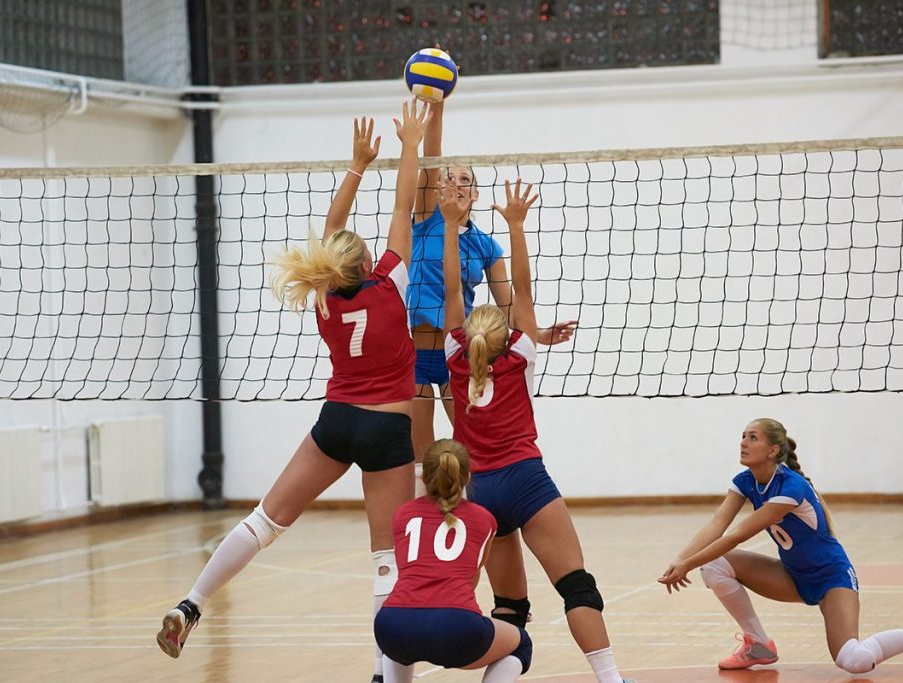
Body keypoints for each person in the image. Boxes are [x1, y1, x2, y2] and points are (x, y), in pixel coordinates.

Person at [156, 101, 433, 683]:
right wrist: (412, 143)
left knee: (265, 520)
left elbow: (331, 235)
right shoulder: (391, 285)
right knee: (389, 563)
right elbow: (404, 206)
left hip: (335, 420)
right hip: (387, 428)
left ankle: (193, 603)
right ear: (366, 263)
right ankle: (390, 678)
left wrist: (357, 164)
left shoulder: (325, 295)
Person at [439, 181, 632, 683]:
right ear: (506, 335)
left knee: (508, 607)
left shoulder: (455, 355)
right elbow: (522, 290)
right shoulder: (522, 350)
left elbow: (453, 288)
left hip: (476, 489)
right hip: (525, 479)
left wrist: (449, 223)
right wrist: (517, 224)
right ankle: (611, 680)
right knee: (576, 587)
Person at [657, 417, 903, 674]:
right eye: (743, 435)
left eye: (753, 437)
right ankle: (758, 644)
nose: (743, 442)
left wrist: (688, 564)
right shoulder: (745, 481)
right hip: (792, 575)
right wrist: (682, 558)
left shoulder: (791, 487)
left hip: (831, 578)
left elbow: (738, 534)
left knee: (854, 660)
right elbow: (716, 525)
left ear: (773, 450)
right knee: (713, 565)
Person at [407, 97, 576, 476]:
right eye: (448, 177)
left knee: (468, 447)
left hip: (459, 354)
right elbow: (431, 156)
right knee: (420, 459)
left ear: (476, 194)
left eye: (465, 179)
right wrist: (437, 106)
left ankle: (478, 520)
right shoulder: (425, 217)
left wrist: (539, 333)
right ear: (437, 188)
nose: (456, 183)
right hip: (415, 351)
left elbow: (508, 303)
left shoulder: (486, 245)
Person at [374, 438, 533, 683]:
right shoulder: (484, 519)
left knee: (401, 644)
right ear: (467, 477)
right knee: (521, 644)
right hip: (456, 627)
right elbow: (470, 579)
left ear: (424, 477)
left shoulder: (402, 514)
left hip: (391, 624)